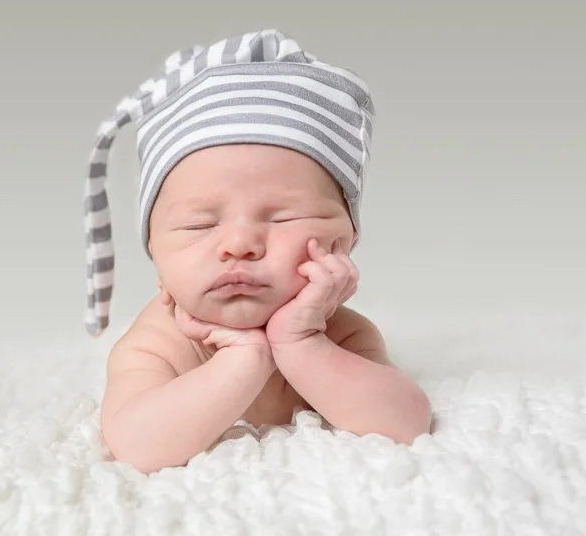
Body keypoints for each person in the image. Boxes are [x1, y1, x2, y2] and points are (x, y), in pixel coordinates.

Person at [82, 29, 432, 474]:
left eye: (281, 218)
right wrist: (244, 359)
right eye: (200, 224)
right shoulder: (156, 345)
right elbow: (137, 446)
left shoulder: (343, 335)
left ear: (343, 244)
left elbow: (406, 423)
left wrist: (301, 344)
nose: (238, 245)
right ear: (155, 254)